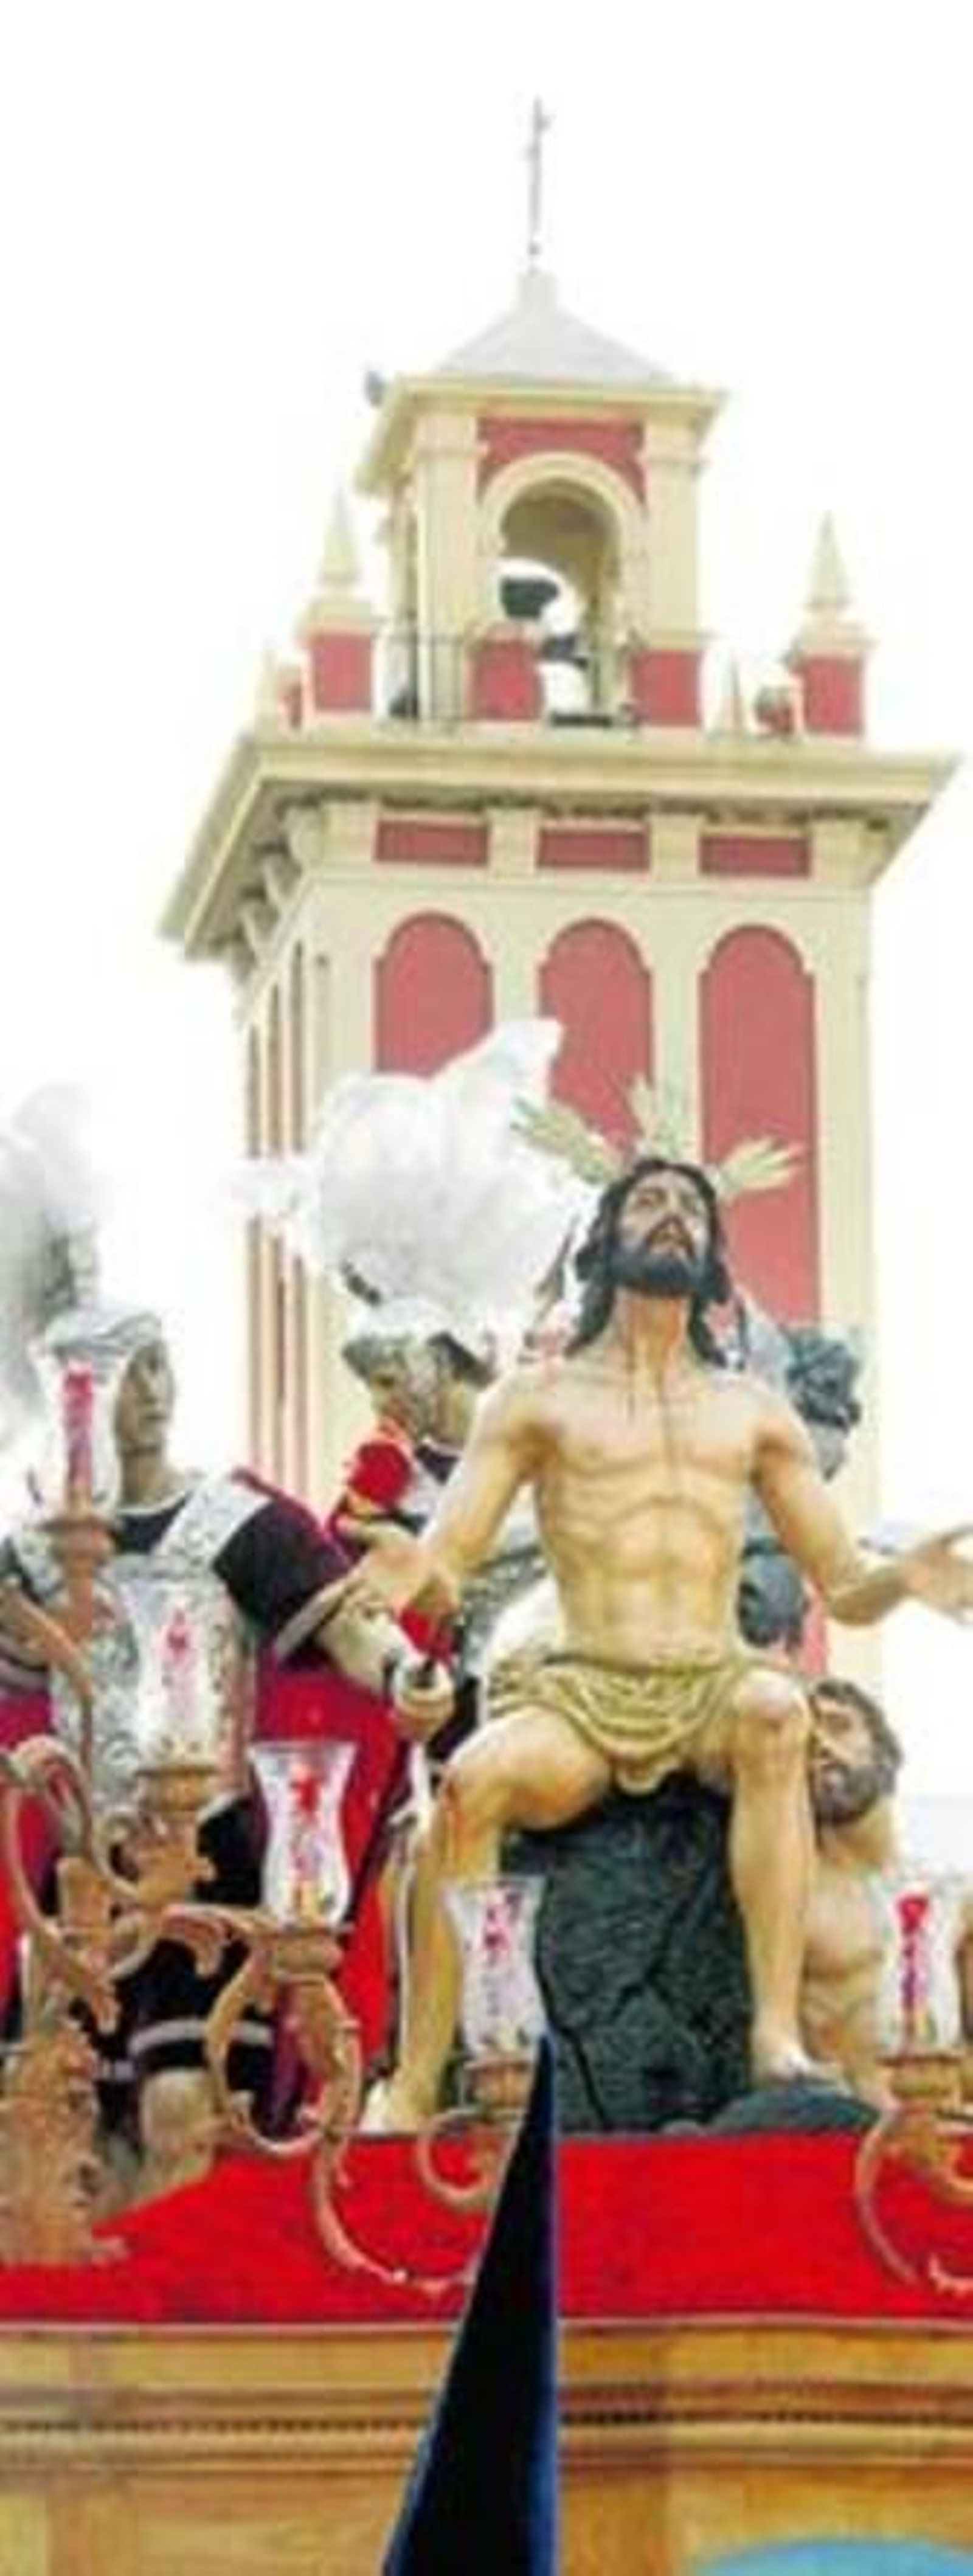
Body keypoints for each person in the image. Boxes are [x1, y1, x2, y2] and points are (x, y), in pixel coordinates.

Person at [345, 1154, 973, 2128]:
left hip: (710, 1685)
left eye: (692, 1208)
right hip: (581, 1690)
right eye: (650, 1202)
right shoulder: (535, 1399)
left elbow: (842, 1585)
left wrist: (906, 1580)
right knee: (470, 1789)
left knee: (778, 1710)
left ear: (716, 1256)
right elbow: (452, 1557)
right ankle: (422, 2078)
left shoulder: (755, 1412)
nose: (673, 1217)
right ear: (605, 1241)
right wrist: (409, 1582)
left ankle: (773, 2035)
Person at [0, 1303, 452, 2194]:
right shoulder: (34, 1558)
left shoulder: (239, 1526)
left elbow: (354, 1629)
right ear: (73, 1402)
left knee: (184, 2103)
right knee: (54, 2121)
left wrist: (404, 1673)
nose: (153, 1395)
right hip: (82, 1873)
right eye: (122, 1378)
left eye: (161, 1367)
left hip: (207, 1857)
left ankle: (181, 2310)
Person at [803, 1678, 902, 2106]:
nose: (820, 1746)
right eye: (804, 1742)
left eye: (838, 1726)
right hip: (842, 2141)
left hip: (945, 2140)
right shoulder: (789, 1901)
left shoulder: (952, 1895)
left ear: (884, 1750)